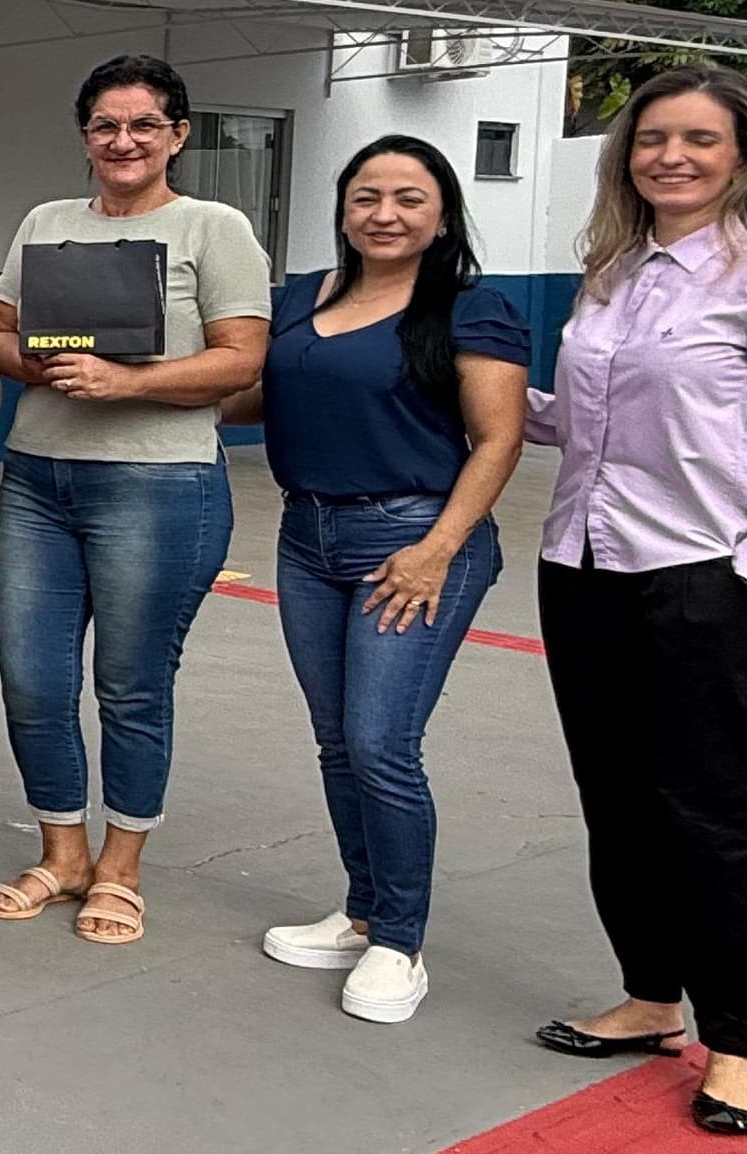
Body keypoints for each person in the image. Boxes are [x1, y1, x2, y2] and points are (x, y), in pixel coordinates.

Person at [523, 66, 747, 1135]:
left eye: (699, 139)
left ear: (744, 156)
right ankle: (649, 998)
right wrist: (484, 393)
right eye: (651, 138)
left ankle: (738, 1046)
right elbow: (588, 427)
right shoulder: (611, 277)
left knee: (705, 818)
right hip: (583, 571)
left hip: (704, 579)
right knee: (615, 804)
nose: (671, 156)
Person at [214, 138, 528, 1026]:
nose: (384, 214)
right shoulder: (300, 299)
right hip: (307, 534)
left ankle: (399, 941)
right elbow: (256, 395)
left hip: (413, 539)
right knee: (337, 741)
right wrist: (155, 383)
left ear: (443, 213)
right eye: (365, 197)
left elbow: (499, 439)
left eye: (408, 198)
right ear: (343, 208)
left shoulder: (472, 308)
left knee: (381, 741)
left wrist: (437, 549)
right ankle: (360, 912)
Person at [0, 54, 272, 948]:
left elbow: (242, 361)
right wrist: (43, 367)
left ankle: (121, 867)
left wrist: (125, 381)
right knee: (32, 679)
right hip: (38, 479)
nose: (124, 140)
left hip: (159, 483)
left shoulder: (214, 228)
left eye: (144, 124)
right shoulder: (47, 222)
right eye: (105, 125)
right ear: (84, 137)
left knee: (131, 686)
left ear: (177, 135)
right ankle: (62, 853)